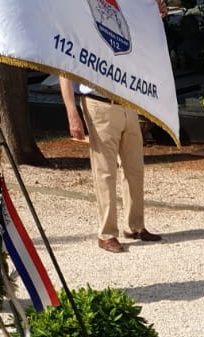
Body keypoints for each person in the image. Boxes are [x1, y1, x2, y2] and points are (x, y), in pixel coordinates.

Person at [60, 81, 159, 253]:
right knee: (105, 171)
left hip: (128, 104)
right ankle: (106, 234)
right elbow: (65, 75)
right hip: (99, 104)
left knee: (135, 168)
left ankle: (135, 226)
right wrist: (72, 114)